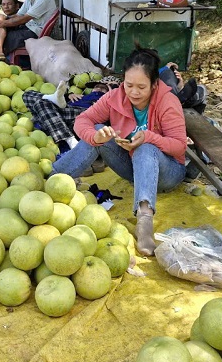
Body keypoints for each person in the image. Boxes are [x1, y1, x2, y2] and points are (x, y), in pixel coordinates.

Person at [52, 47, 187, 255]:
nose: (133, 92)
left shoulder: (167, 102)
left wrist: (149, 137)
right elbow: (83, 120)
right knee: (97, 131)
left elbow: (179, 145)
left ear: (154, 84)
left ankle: (144, 224)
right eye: (129, 85)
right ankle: (54, 180)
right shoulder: (115, 97)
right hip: (133, 169)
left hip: (168, 173)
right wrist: (95, 137)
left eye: (141, 87)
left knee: (146, 147)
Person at [22, 77, 119, 151]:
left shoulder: (106, 101)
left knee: (41, 103)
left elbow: (114, 108)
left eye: (103, 88)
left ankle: (70, 140)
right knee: (27, 95)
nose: (98, 89)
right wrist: (68, 96)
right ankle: (53, 99)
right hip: (62, 113)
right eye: (96, 86)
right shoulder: (82, 95)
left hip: (83, 114)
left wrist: (111, 91)